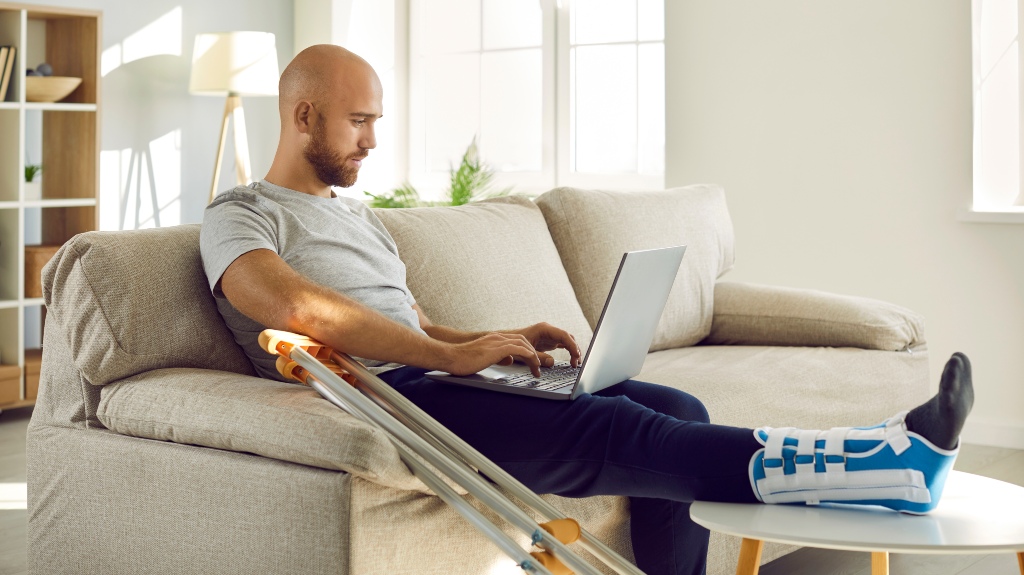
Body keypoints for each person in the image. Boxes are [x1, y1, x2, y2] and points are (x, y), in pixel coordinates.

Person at [200, 45, 974, 575]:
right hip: (395, 399)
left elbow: (416, 317)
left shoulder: (358, 216)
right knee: (621, 428)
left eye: (374, 121)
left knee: (678, 401)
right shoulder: (240, 213)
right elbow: (292, 305)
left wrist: (489, 340)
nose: (371, 140)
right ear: (303, 117)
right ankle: (880, 463)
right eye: (358, 120)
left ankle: (866, 467)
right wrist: (449, 358)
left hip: (435, 375)